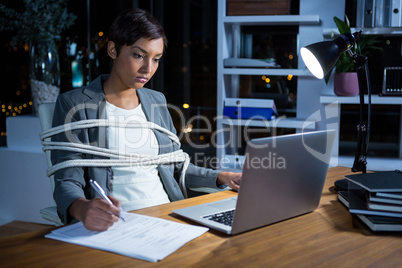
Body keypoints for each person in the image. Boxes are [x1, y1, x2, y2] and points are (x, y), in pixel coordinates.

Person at [50, 8, 241, 231]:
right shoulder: (75, 105)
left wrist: (223, 176)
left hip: (169, 216)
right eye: (138, 55)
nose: (147, 69)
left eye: (156, 59)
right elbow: (67, 180)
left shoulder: (156, 101)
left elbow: (176, 168)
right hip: (118, 222)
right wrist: (82, 208)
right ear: (113, 49)